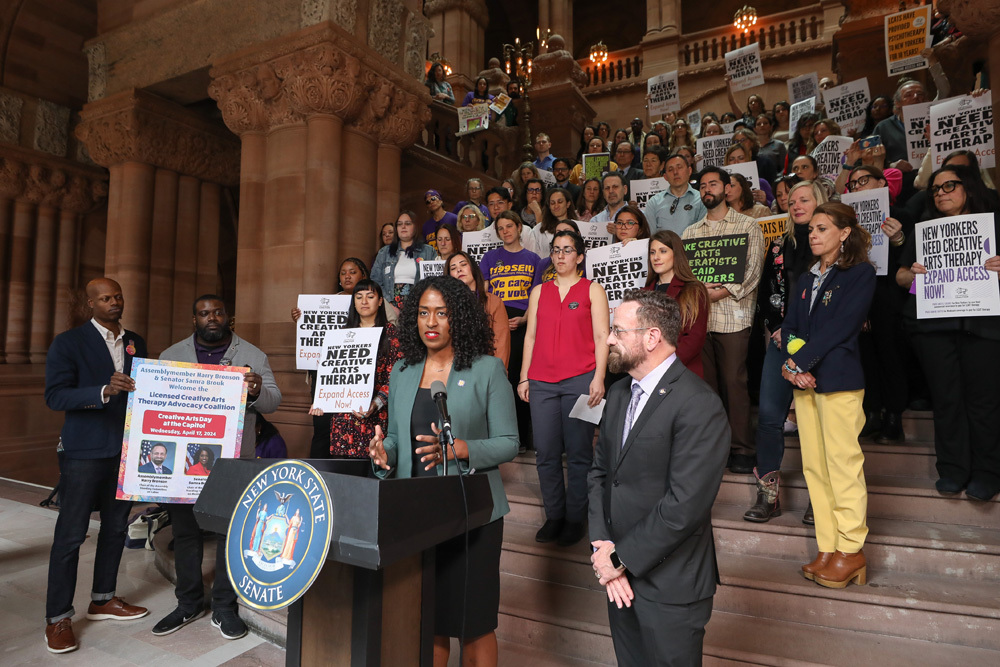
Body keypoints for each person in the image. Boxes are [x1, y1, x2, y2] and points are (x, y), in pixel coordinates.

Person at [369, 276, 518, 667]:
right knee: (429, 620)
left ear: (460, 318)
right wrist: (383, 453)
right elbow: (399, 438)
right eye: (422, 312)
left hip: (472, 514)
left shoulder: (486, 370)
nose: (430, 321)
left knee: (474, 623)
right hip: (417, 514)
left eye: (441, 312)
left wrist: (462, 449)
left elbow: (508, 442)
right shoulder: (403, 370)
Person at [588, 289, 730, 666]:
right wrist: (604, 550)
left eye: (618, 330)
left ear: (651, 337)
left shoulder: (699, 404)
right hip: (618, 577)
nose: (609, 339)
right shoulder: (618, 394)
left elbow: (685, 505)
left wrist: (620, 557)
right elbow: (600, 475)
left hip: (672, 587)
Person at [154, 295, 281, 638]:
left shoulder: (252, 356)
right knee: (185, 533)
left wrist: (255, 390)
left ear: (229, 316)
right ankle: (188, 603)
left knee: (229, 533)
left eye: (218, 312)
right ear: (194, 319)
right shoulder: (171, 356)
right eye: (204, 313)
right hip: (184, 464)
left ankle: (224, 606)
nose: (212, 318)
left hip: (232, 463)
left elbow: (274, 400)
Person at [43, 277, 150, 653]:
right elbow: (55, 396)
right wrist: (103, 391)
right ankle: (57, 618)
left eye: (118, 296)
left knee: (117, 527)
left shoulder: (136, 340)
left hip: (126, 451)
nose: (113, 302)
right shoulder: (68, 343)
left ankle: (103, 599)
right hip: (85, 452)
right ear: (91, 304)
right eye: (105, 298)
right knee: (71, 536)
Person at [782, 202, 875, 588]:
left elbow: (842, 327)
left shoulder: (861, 273)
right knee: (815, 468)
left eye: (822, 228)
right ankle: (828, 545)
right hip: (806, 384)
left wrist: (799, 362)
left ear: (844, 232)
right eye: (811, 229)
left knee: (842, 465)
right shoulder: (805, 279)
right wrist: (792, 364)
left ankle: (851, 550)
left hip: (838, 381)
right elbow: (790, 326)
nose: (813, 234)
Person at [896, 165, 1000, 500]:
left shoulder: (994, 224)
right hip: (934, 327)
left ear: (968, 187)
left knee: (983, 402)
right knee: (946, 400)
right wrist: (913, 276)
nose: (941, 192)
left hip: (983, 327)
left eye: (949, 185)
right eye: (935, 189)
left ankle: (987, 472)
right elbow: (899, 275)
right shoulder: (924, 229)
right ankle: (953, 469)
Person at [746, 180, 828, 523]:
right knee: (768, 416)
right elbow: (766, 294)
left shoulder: (834, 245)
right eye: (791, 201)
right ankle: (768, 496)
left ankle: (820, 498)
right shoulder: (778, 245)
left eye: (804, 199)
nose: (796, 205)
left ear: (819, 202)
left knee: (818, 423)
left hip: (825, 346)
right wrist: (778, 330)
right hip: (784, 342)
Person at [520, 230, 609, 546]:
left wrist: (599, 378)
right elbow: (530, 337)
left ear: (580, 256)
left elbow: (602, 338)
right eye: (555, 249)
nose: (560, 255)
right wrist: (524, 376)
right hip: (542, 382)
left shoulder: (593, 290)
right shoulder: (539, 291)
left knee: (580, 453)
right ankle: (555, 516)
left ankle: (575, 518)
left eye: (567, 250)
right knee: (544, 453)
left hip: (581, 381)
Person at [682, 166, 765, 474]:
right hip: (701, 321)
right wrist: (700, 292)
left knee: (734, 383)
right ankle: (717, 447)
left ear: (727, 187)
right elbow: (686, 277)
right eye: (702, 186)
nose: (707, 190)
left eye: (713, 184)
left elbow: (752, 271)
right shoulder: (690, 233)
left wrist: (718, 292)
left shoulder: (748, 225)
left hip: (734, 318)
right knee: (707, 388)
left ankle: (743, 447)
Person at [843, 166, 911, 444]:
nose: (858, 186)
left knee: (890, 356)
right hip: (858, 296)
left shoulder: (903, 215)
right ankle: (872, 413)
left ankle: (894, 417)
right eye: (853, 184)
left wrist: (899, 240)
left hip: (889, 298)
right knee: (865, 357)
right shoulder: (847, 224)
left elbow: (912, 259)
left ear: (882, 182)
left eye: (864, 180)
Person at [310, 280, 401, 457]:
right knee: (345, 480)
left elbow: (395, 378)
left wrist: (376, 403)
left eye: (370, 296)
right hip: (342, 423)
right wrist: (321, 400)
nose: (364, 301)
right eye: (359, 297)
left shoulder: (391, 334)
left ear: (380, 301)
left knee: (371, 476)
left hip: (375, 420)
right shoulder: (340, 335)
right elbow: (331, 373)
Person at [645, 230, 709, 378]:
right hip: (647, 371)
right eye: (652, 252)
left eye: (663, 251)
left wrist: (664, 366)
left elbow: (695, 338)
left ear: (676, 254)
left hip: (681, 371)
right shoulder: (644, 291)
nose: (656, 257)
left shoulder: (693, 289)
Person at [448, 250, 510, 370]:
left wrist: (497, 374)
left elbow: (501, 344)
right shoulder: (447, 305)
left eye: (463, 264)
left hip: (487, 369)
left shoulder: (493, 302)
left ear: (473, 268)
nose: (459, 269)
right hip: (455, 369)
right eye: (453, 268)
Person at [372, 210, 438, 311]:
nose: (403, 227)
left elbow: (435, 281)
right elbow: (375, 280)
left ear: (415, 227)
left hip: (420, 304)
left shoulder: (428, 251)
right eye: (399, 224)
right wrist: (389, 305)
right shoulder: (384, 252)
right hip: (389, 305)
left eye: (407, 223)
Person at [646, 152, 706, 235]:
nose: (675, 172)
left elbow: (703, 234)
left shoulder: (701, 199)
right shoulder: (654, 202)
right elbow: (651, 236)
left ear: (689, 171)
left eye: (679, 167)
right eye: (670, 170)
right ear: (665, 177)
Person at [525, 187, 579, 256]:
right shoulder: (538, 229)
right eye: (552, 203)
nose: (556, 206)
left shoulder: (578, 226)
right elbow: (533, 254)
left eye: (560, 202)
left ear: (568, 204)